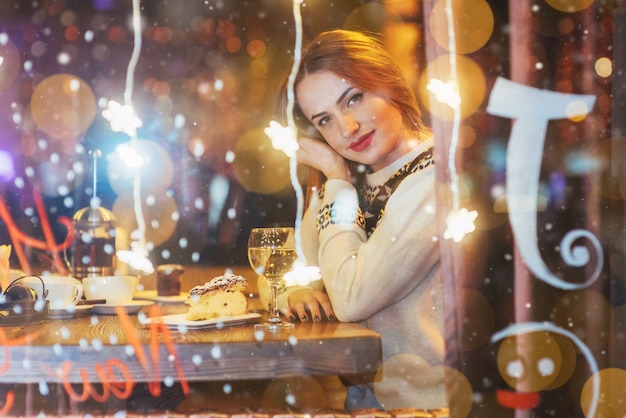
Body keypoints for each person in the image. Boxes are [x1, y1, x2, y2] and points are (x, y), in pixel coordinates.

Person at [271, 29, 447, 411]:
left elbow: (351, 298)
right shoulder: (349, 183)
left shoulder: (436, 177)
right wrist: (297, 293)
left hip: (429, 404)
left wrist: (335, 176)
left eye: (354, 99)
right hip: (362, 399)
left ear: (388, 82)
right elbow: (281, 272)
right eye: (325, 120)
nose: (346, 129)